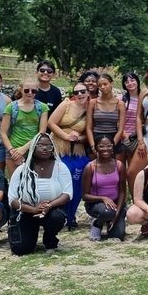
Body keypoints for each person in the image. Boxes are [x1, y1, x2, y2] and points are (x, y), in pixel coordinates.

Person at [7, 133, 73, 255]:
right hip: (26, 211)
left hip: (51, 210)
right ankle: (29, 234)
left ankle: (50, 239)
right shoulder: (22, 169)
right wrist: (33, 209)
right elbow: (12, 199)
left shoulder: (60, 167)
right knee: (21, 250)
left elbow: (67, 194)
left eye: (49, 146)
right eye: (41, 146)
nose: (45, 149)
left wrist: (49, 205)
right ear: (33, 148)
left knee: (56, 217)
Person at [48, 82, 91, 230]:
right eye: (77, 92)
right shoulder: (65, 105)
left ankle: (71, 215)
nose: (80, 94)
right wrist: (66, 136)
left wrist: (79, 138)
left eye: (83, 91)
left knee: (78, 179)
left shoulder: (90, 109)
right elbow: (51, 123)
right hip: (61, 147)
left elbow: (90, 131)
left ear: (88, 92)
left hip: (78, 148)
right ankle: (60, 214)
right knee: (64, 178)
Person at [81, 135, 128, 242]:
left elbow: (122, 192)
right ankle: (97, 223)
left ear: (113, 147)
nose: (105, 149)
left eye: (109, 146)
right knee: (107, 212)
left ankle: (111, 219)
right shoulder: (90, 167)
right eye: (101, 146)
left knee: (118, 236)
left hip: (116, 205)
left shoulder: (119, 165)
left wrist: (117, 215)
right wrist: (103, 198)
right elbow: (84, 196)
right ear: (96, 148)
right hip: (96, 204)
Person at [0, 77, 49, 175]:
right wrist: (12, 151)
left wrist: (24, 149)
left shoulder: (42, 107)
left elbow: (42, 132)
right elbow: (2, 132)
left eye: (33, 91)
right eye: (27, 90)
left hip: (34, 150)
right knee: (15, 183)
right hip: (14, 150)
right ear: (20, 90)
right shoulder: (11, 107)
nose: (30, 93)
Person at [120, 71, 144, 183]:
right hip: (122, 137)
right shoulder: (121, 99)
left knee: (133, 171)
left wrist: (134, 137)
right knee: (120, 171)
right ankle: (122, 198)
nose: (130, 83)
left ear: (137, 81)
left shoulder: (144, 98)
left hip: (136, 139)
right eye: (126, 82)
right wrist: (125, 136)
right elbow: (118, 119)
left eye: (132, 80)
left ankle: (136, 198)